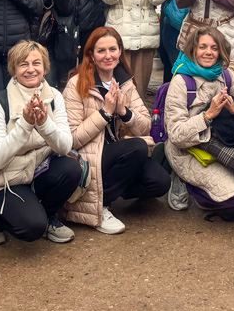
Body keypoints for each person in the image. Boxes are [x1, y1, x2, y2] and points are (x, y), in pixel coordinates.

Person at [63, 27, 169, 234]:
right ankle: (101, 206)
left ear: (120, 52)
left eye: (113, 49)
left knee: (161, 182)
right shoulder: (77, 84)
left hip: (117, 153)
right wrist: (104, 113)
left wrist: (122, 111)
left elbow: (144, 125)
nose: (108, 55)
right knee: (137, 147)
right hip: (88, 155)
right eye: (101, 51)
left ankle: (107, 189)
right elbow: (72, 139)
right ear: (91, 55)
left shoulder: (124, 81)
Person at [164, 26, 234, 217]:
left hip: (221, 141)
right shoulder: (181, 81)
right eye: (203, 47)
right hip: (190, 147)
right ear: (193, 50)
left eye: (214, 48)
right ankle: (188, 184)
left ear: (220, 51)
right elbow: (176, 135)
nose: (208, 52)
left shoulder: (226, 75)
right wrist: (208, 116)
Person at [0, 40, 79, 245]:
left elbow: (64, 146)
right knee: (32, 227)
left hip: (37, 171)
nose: (31, 69)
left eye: (36, 63)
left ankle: (49, 215)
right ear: (14, 71)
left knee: (71, 167)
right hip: (6, 179)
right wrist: (24, 125)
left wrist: (44, 124)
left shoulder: (55, 97)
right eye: (23, 64)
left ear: (44, 68)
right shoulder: (0, 102)